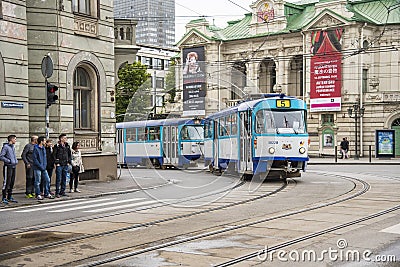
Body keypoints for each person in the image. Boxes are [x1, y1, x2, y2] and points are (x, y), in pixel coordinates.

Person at [0, 135, 18, 204]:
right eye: (15, 139)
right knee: (7, 182)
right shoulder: (5, 147)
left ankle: (9, 196)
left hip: (13, 166)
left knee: (12, 182)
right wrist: (8, 161)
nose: (15, 140)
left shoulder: (12, 147)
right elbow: (1, 156)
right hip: (8, 166)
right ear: (11, 139)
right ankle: (4, 197)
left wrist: (14, 161)